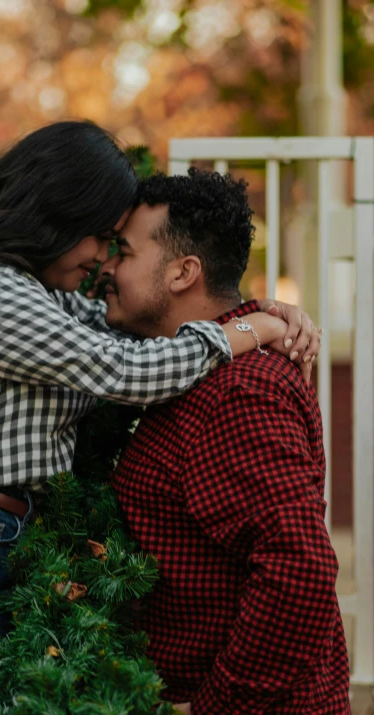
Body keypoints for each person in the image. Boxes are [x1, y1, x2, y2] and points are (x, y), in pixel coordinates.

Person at [0, 122, 319, 715]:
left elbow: (134, 333)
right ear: (58, 216)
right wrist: (251, 328)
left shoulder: (38, 298)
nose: (101, 257)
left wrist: (267, 311)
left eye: (119, 245)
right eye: (98, 235)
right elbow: (125, 370)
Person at [109, 170, 350, 714]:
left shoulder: (238, 392)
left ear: (182, 272)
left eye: (123, 253)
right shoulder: (201, 374)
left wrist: (217, 706)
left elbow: (301, 570)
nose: (107, 268)